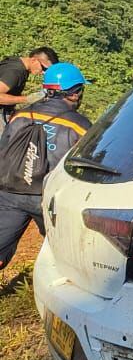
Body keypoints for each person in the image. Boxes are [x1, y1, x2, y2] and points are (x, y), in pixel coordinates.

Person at [0, 63, 91, 269]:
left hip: (9, 192)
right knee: (65, 253)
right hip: (49, 198)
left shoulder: (20, 116)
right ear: (75, 93)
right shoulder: (79, 125)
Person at [0, 47, 58, 125]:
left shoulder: (16, 62)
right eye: (44, 68)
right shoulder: (16, 72)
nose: (43, 73)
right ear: (34, 60)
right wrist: (27, 99)